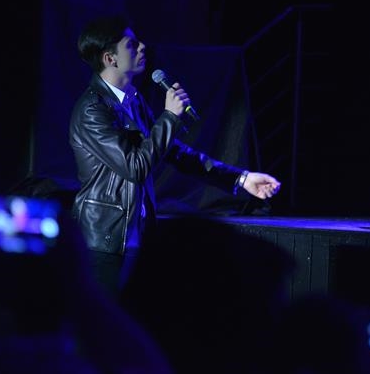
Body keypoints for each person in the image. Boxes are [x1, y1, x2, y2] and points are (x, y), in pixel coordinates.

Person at [70, 15, 281, 296]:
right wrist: (169, 116)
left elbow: (177, 153)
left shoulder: (133, 100)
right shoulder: (92, 110)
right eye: (131, 44)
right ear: (110, 58)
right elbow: (135, 167)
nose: (142, 47)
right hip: (104, 241)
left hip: (136, 238)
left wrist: (241, 179)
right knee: (106, 319)